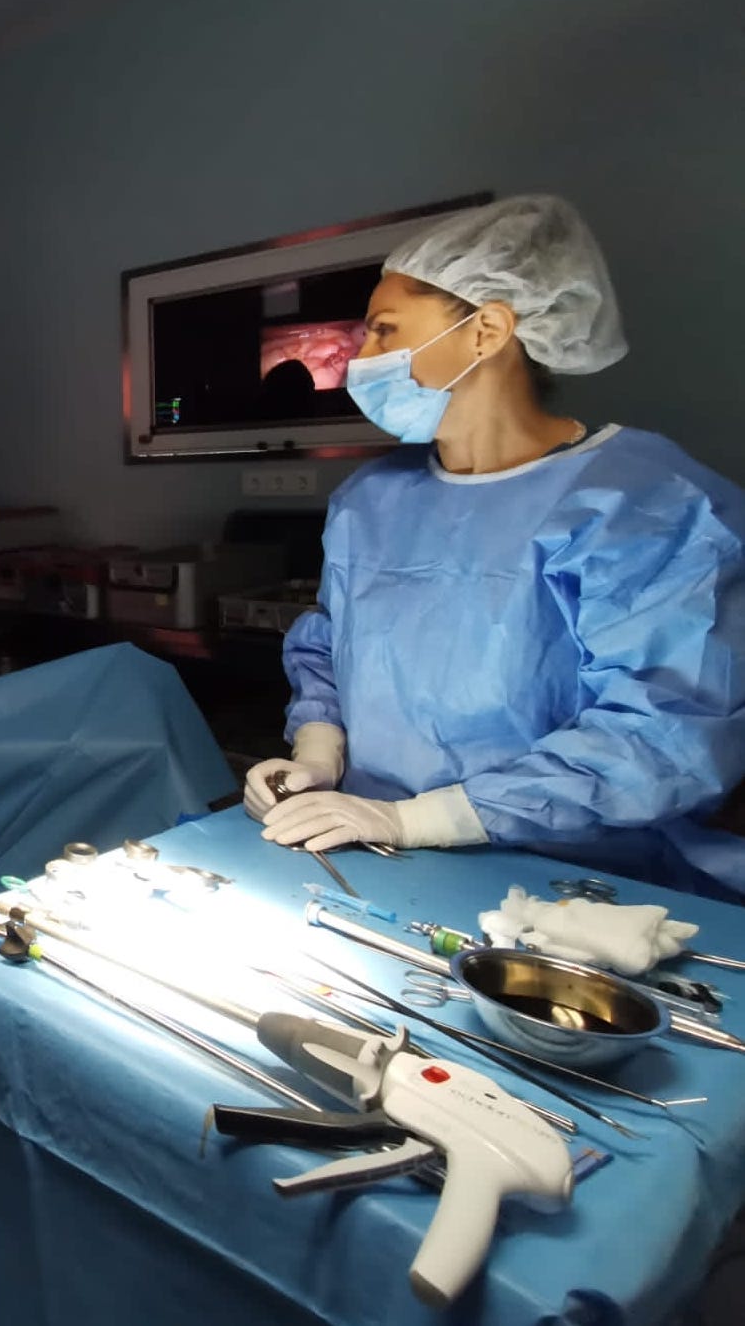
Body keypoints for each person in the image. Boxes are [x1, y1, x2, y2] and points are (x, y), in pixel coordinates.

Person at [247, 196, 745, 895]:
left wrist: (421, 819)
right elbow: (330, 649)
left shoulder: (648, 505)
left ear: (486, 330)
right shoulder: (371, 501)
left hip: (581, 881)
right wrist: (317, 754)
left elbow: (663, 733)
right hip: (368, 852)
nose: (362, 359)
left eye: (385, 331)